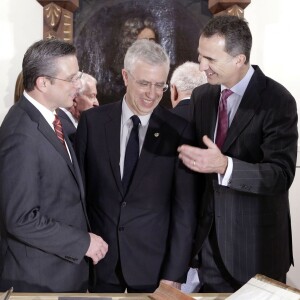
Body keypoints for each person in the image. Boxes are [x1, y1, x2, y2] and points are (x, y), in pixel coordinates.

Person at [178, 15, 298, 293]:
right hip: (208, 251)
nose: (201, 66)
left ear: (239, 60)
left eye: (210, 59)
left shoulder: (278, 101)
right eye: (200, 55)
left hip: (257, 251)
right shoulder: (202, 97)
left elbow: (280, 175)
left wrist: (225, 166)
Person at [75, 39, 198, 293]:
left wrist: (174, 274)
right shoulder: (92, 123)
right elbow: (79, 194)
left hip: (153, 270)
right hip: (100, 264)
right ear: (125, 76)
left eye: (159, 86)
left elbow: (185, 211)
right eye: (144, 83)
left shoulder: (179, 131)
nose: (152, 94)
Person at [0, 39, 108, 292]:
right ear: (43, 83)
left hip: (62, 274)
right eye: (71, 78)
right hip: (39, 281)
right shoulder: (20, 133)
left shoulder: (57, 119)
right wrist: (83, 243)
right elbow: (21, 219)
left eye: (78, 75)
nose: (78, 85)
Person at [57, 72, 99, 142]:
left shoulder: (68, 124)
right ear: (74, 97)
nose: (97, 103)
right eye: (92, 96)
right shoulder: (60, 128)